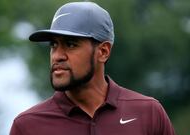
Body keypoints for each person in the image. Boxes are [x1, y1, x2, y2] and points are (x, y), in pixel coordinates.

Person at [10, 2, 176, 135]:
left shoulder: (149, 113)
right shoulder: (28, 126)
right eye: (54, 45)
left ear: (103, 52)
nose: (57, 56)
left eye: (70, 44)